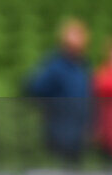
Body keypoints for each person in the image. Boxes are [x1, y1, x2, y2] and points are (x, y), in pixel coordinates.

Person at [25, 18, 93, 162]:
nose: (78, 42)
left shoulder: (84, 66)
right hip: (59, 132)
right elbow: (34, 88)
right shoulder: (55, 65)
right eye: (74, 36)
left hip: (79, 135)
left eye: (80, 36)